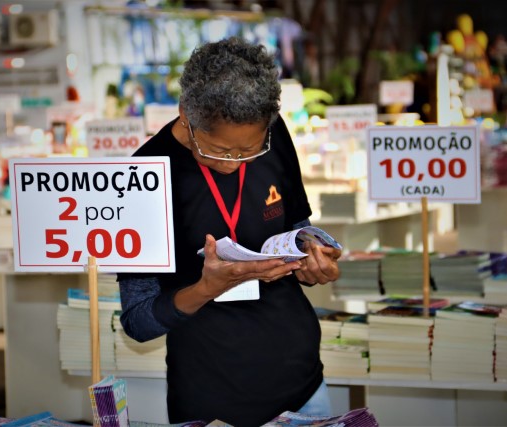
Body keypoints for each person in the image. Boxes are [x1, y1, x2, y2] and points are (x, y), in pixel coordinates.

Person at [118, 36, 342, 427]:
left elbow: (297, 231)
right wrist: (207, 288)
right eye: (220, 151)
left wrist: (312, 261)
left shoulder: (272, 133)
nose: (236, 163)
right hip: (211, 395)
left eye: (249, 151)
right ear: (186, 114)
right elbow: (137, 321)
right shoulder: (145, 176)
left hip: (304, 386)